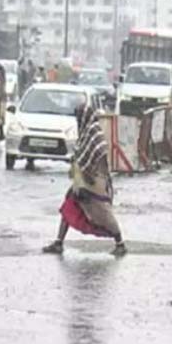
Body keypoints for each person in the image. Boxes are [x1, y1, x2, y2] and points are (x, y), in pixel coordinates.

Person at [42, 104, 127, 256]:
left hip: (94, 182)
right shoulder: (85, 133)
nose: (78, 119)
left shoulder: (94, 133)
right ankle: (59, 242)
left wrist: (89, 175)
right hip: (81, 180)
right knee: (68, 206)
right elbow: (80, 156)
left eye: (80, 115)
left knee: (103, 214)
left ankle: (120, 243)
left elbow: (100, 154)